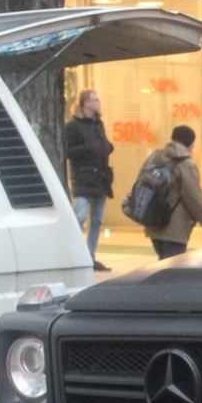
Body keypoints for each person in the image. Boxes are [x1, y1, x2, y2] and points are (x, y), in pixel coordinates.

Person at [142, 125, 202, 260]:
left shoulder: (154, 157)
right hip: (174, 228)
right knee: (172, 269)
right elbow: (194, 197)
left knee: (163, 266)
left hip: (153, 223)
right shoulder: (185, 163)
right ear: (190, 144)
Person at [64, 89, 114, 271]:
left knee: (97, 220)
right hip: (83, 178)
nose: (98, 102)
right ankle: (75, 256)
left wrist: (107, 147)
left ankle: (90, 255)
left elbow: (103, 145)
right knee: (79, 217)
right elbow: (68, 152)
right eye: (95, 100)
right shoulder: (73, 126)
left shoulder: (98, 124)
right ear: (86, 103)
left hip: (100, 178)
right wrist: (88, 148)